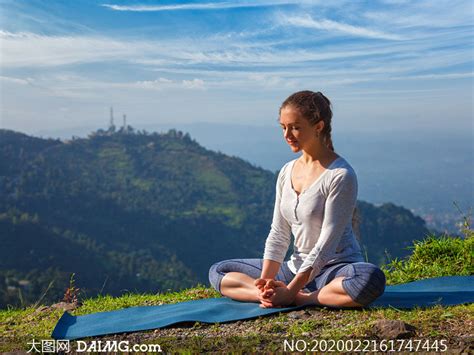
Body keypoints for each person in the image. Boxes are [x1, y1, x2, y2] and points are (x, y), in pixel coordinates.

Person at [208, 90, 386, 308]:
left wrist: (292, 292)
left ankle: (303, 298)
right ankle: (267, 296)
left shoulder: (340, 175)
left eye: (295, 127)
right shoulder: (287, 171)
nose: (287, 134)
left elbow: (325, 247)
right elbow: (279, 233)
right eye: (283, 127)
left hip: (333, 269)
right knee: (219, 271)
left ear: (318, 127)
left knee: (369, 279)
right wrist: (267, 283)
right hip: (294, 269)